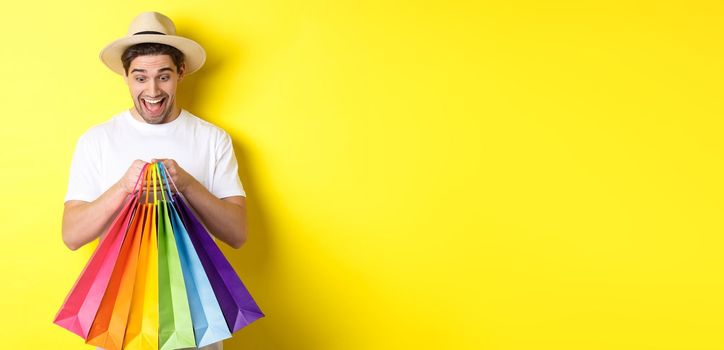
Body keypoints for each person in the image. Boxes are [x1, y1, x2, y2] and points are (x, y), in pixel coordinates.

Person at [61, 12, 246, 350]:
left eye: (163, 76)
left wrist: (187, 184)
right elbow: (72, 236)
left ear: (181, 72)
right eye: (140, 77)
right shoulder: (97, 140)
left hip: (198, 321)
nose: (152, 90)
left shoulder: (212, 139)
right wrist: (121, 188)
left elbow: (237, 234)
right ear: (126, 77)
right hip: (121, 322)